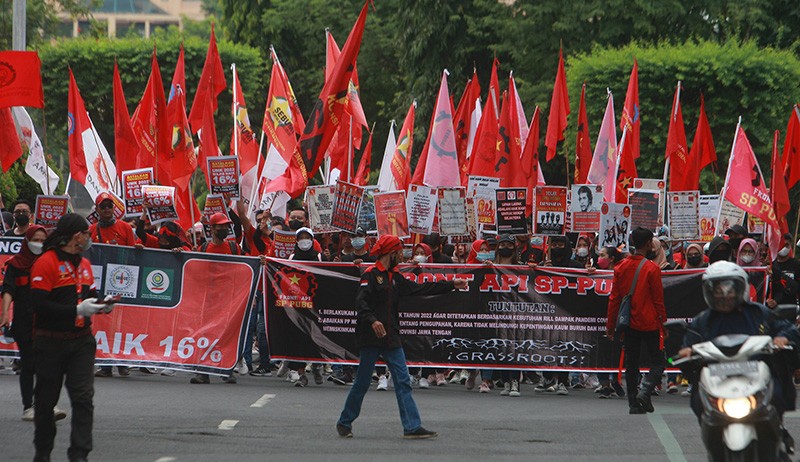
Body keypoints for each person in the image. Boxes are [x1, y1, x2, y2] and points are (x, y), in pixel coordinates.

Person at [335, 234, 468, 439]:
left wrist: (452, 284)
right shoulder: (370, 274)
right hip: (370, 338)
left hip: (391, 337)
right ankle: (344, 422)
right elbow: (361, 304)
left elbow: (421, 288)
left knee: (403, 380)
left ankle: (412, 427)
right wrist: (373, 320)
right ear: (390, 252)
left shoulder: (395, 276)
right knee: (361, 383)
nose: (401, 255)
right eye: (398, 251)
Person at [678, 261, 800, 453]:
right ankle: (712, 438)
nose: (724, 295)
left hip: (755, 374)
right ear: (709, 292)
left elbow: (786, 327)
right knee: (698, 399)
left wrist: (782, 338)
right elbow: (689, 342)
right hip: (718, 378)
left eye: (730, 289)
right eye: (718, 290)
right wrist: (686, 351)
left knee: (776, 393)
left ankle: (779, 430)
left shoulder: (758, 313)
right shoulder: (703, 320)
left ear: (740, 288)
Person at [30, 213, 117, 462]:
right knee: (46, 402)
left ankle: (79, 454)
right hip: (51, 342)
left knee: (83, 398)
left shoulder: (85, 265)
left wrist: (103, 305)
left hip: (81, 341)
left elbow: (90, 294)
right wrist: (76, 310)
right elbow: (39, 305)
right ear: (77, 236)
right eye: (87, 233)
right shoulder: (46, 262)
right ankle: (43, 452)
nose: (90, 237)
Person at [2, 225, 68, 422]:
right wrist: (5, 313)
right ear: (27, 240)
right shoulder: (15, 264)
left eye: (42, 240)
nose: (38, 243)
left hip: (46, 320)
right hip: (24, 321)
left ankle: (47, 403)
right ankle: (28, 407)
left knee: (48, 364)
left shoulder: (49, 263)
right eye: (35, 239)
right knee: (29, 364)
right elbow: (8, 290)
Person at [606, 227, 667, 414]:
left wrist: (610, 326)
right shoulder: (652, 269)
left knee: (631, 363)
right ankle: (646, 389)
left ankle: (633, 403)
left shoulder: (620, 267)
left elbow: (614, 299)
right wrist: (663, 323)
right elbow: (658, 300)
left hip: (628, 323)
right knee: (659, 361)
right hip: (649, 322)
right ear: (649, 244)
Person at [190, 212, 242, 385]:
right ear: (212, 228)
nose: (225, 229)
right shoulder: (203, 249)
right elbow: (193, 270)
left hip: (229, 300)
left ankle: (226, 369)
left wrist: (261, 261)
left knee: (226, 335)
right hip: (209, 300)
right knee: (206, 334)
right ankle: (203, 372)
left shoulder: (234, 248)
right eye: (221, 226)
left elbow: (246, 269)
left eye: (226, 226)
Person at [90, 193, 135, 378]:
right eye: (103, 206)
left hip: (122, 282)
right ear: (97, 210)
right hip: (100, 283)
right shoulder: (91, 229)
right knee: (103, 322)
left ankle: (122, 363)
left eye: (110, 206)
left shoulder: (125, 228)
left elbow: (133, 254)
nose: (107, 209)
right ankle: (105, 364)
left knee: (121, 323)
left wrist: (137, 249)